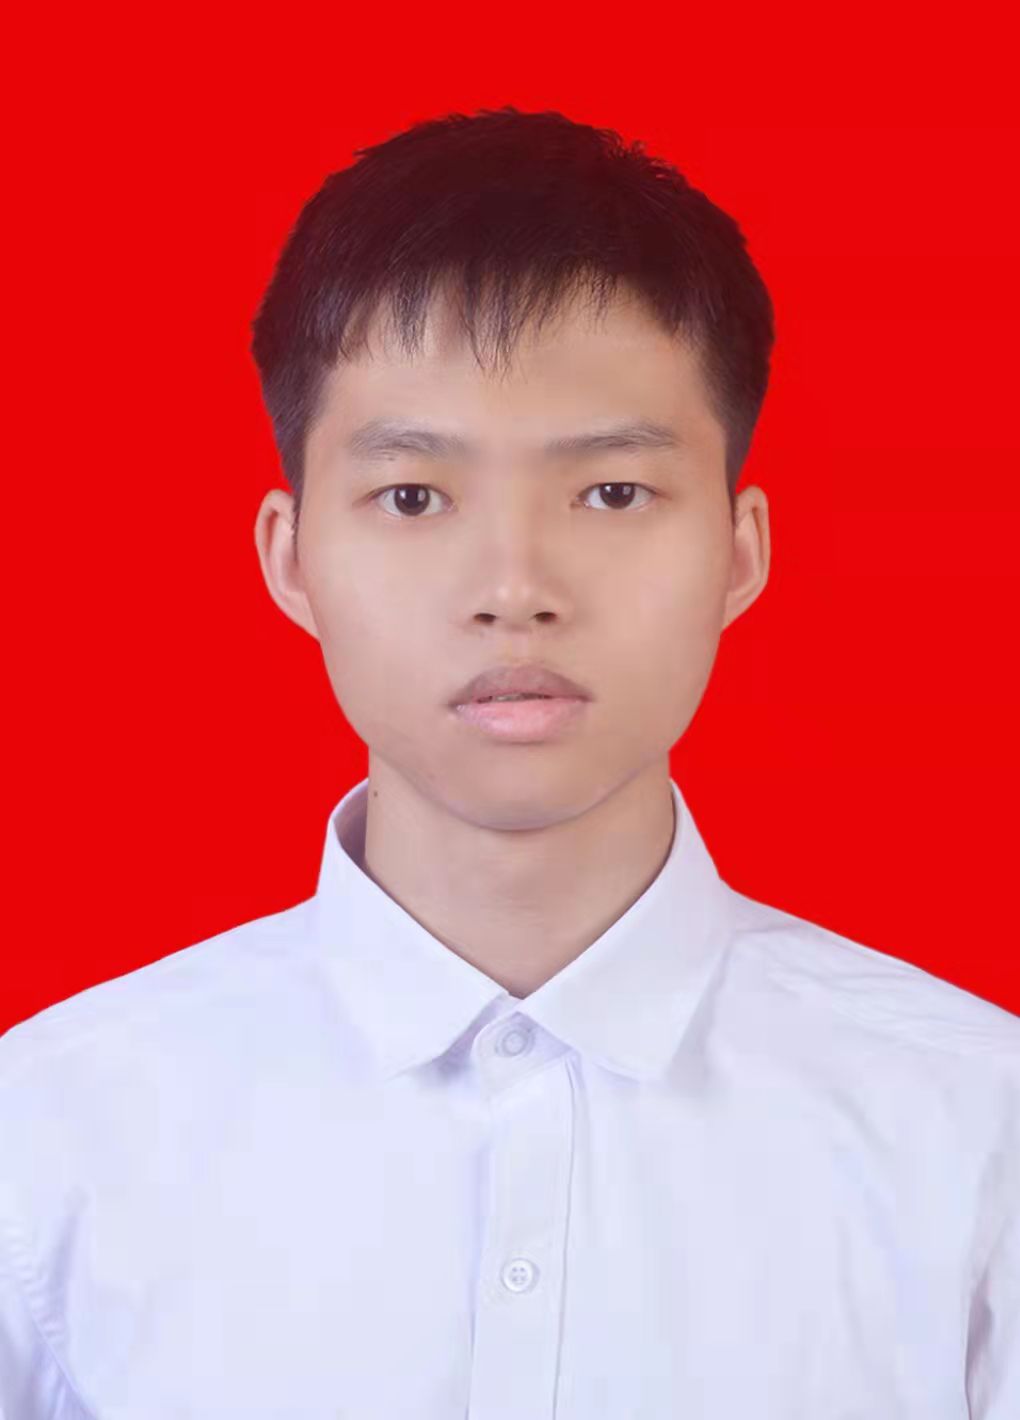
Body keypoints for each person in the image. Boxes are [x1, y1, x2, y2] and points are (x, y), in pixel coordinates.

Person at [1, 105, 1016, 1418]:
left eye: (612, 493)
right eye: (413, 497)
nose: (514, 587)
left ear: (741, 551)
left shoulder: (973, 1135)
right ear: (292, 559)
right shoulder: (54, 1133)